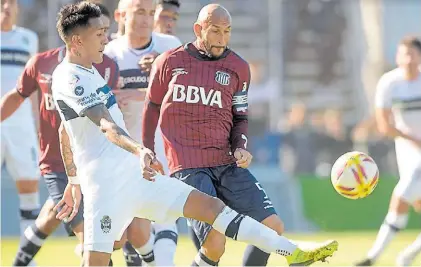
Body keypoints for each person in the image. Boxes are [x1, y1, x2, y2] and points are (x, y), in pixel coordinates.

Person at [52, 2, 338, 266]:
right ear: (78, 41)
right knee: (100, 259)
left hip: (136, 177)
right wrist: (140, 149)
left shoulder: (90, 71)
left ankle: (292, 252)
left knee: (212, 208)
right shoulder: (71, 77)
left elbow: (66, 129)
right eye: (100, 33)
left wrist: (73, 179)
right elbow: (106, 125)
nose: (106, 38)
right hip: (107, 188)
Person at [141, 3, 337, 266]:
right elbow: (151, 108)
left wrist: (241, 146)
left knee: (273, 226)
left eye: (227, 31)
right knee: (215, 244)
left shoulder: (238, 67)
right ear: (198, 29)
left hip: (226, 163)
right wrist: (146, 149)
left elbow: (240, 116)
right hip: (188, 166)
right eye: (215, 31)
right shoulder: (169, 62)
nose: (222, 39)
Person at [0, 5, 139, 266]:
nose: (103, 38)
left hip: (92, 163)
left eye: (104, 32)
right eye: (97, 32)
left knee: (58, 221)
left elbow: (108, 115)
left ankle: (20, 262)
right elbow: (16, 97)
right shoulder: (41, 63)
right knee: (93, 241)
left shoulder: (106, 67)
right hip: (56, 165)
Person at [104, 0, 183, 265]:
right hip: (122, 151)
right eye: (139, 12)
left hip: (163, 145)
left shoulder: (170, 47)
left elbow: (186, 97)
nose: (146, 19)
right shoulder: (107, 53)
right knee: (125, 233)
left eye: (151, 13)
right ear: (120, 15)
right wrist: (113, 96)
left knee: (164, 216)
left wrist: (158, 75)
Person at [355, 36, 421, 266]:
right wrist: (412, 138)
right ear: (397, 57)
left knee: (400, 197)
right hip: (406, 150)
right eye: (403, 54)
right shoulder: (389, 83)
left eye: (412, 54)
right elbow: (384, 126)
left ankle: (373, 257)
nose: (408, 59)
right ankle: (408, 255)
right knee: (414, 202)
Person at [1, 1, 39, 265]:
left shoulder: (29, 38)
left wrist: (37, 125)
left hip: (22, 124)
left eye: (11, 2)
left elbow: (33, 85)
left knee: (29, 185)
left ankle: (29, 259)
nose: (6, 7)